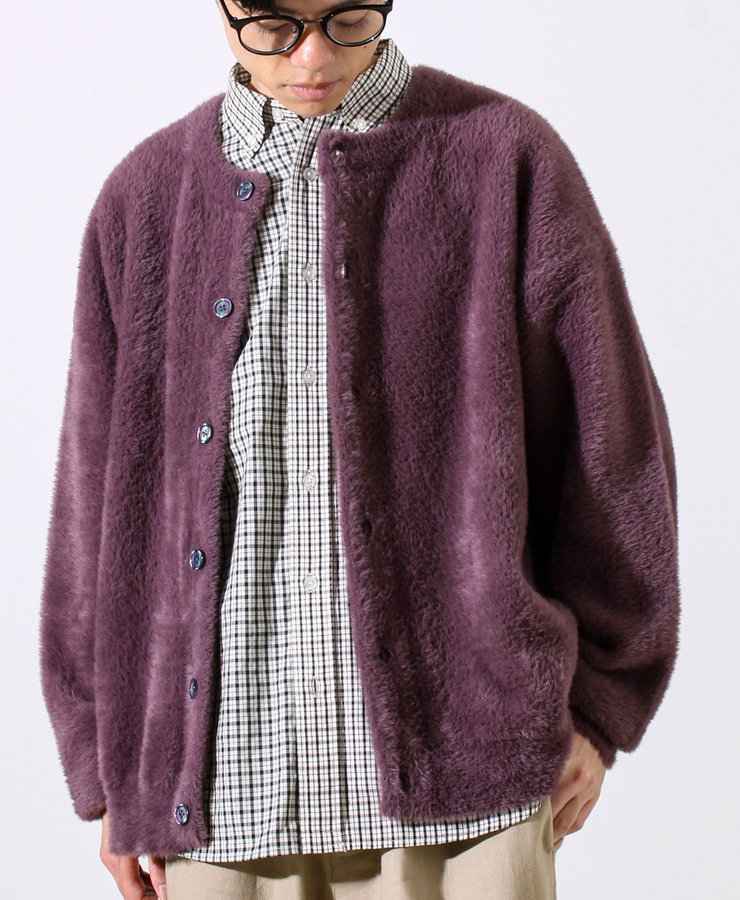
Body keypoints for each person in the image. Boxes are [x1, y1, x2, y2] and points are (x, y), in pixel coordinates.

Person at [39, 0, 680, 897]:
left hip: (472, 789)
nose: (311, 56)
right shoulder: (144, 201)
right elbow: (95, 502)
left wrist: (601, 706)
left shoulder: (502, 158)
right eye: (273, 24)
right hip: (220, 800)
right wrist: (111, 773)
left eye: (346, 16)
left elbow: (614, 453)